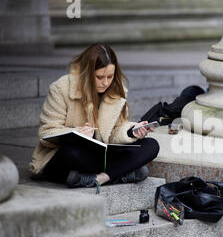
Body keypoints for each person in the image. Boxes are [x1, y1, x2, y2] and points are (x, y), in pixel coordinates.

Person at [30, 43, 160, 189]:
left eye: (110, 76)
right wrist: (76, 133)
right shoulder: (61, 88)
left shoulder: (116, 92)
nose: (105, 82)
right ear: (86, 72)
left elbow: (115, 132)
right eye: (99, 77)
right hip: (70, 156)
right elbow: (46, 132)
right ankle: (120, 173)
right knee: (71, 153)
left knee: (151, 145)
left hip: (99, 157)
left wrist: (132, 131)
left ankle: (99, 178)